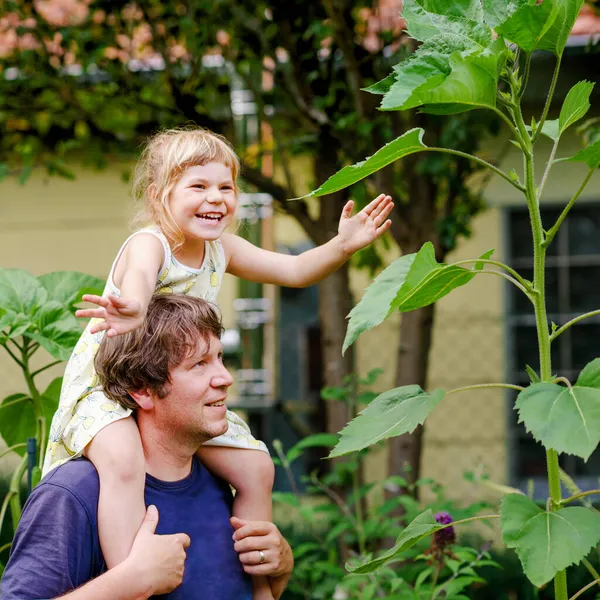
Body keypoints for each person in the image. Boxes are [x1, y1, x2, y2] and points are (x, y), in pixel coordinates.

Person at [43, 127, 393, 599]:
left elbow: (292, 271)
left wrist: (342, 247)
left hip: (176, 392)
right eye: (198, 186)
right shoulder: (151, 243)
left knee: (255, 467)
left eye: (225, 186)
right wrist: (134, 305)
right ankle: (135, 579)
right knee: (123, 461)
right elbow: (142, 278)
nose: (216, 198)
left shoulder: (220, 249)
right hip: (111, 387)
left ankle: (260, 589)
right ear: (159, 196)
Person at [1, 294, 293, 600]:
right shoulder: (75, 493)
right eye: (199, 365)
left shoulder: (223, 481)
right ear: (142, 390)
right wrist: (129, 581)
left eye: (219, 358)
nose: (225, 377)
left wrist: (280, 568)